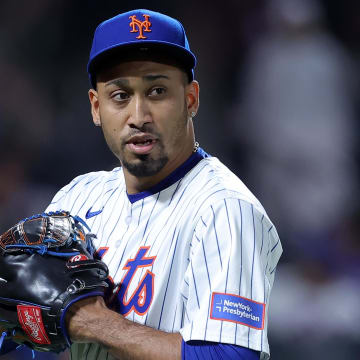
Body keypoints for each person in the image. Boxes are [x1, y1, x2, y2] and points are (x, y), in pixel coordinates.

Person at [7, 9, 282, 360]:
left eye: (157, 91)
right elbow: (22, 322)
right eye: (120, 95)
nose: (138, 116)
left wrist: (91, 322)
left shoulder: (224, 208)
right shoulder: (77, 197)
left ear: (190, 99)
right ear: (96, 107)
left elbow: (231, 356)